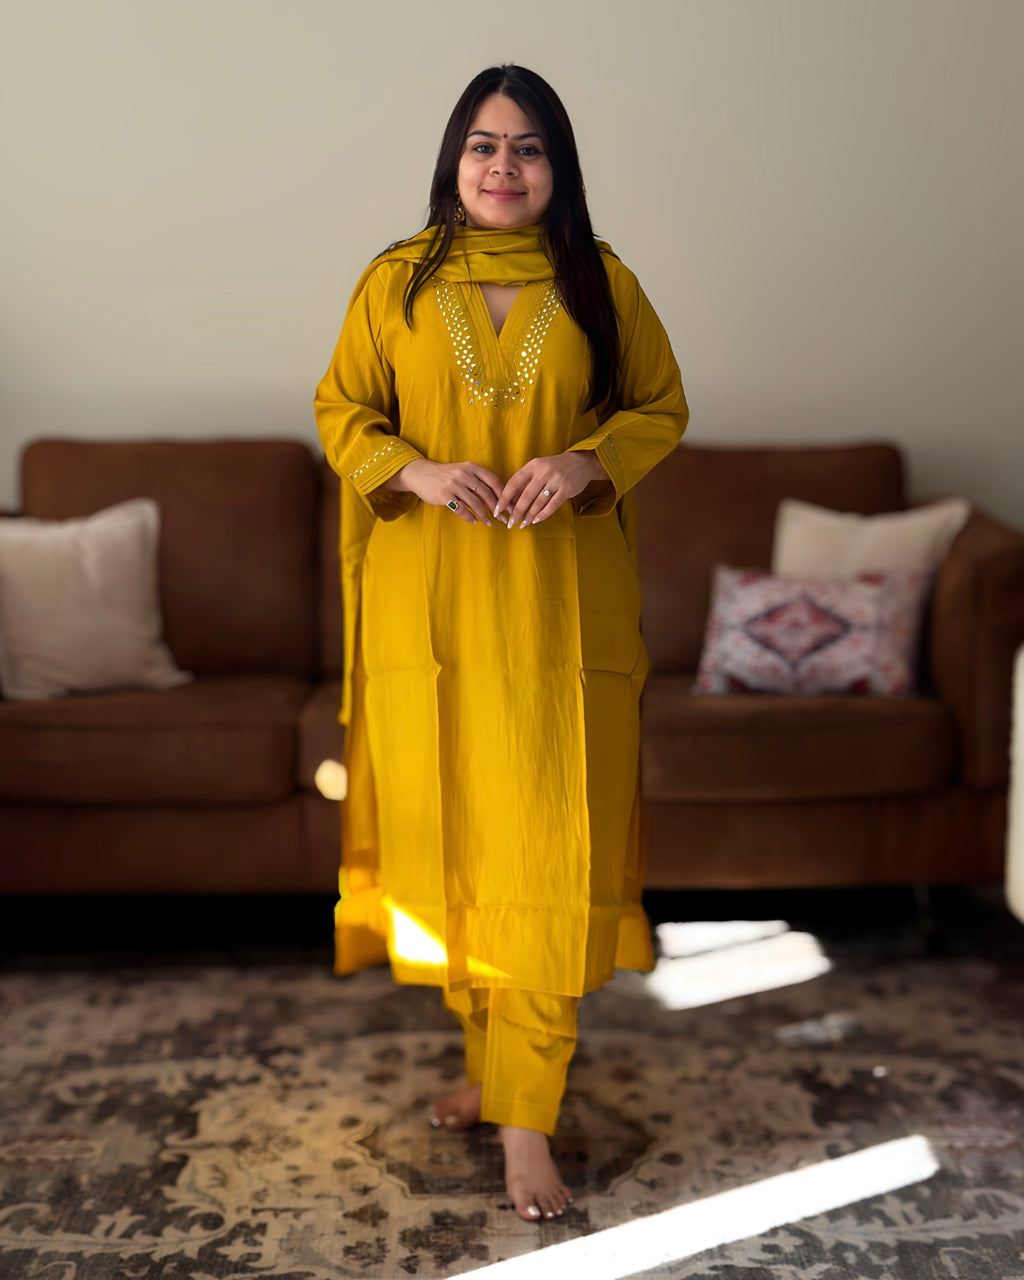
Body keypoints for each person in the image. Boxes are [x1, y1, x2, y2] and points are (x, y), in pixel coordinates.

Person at [315, 64, 688, 1223]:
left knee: (544, 849)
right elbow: (341, 410)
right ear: (453, 159)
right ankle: (491, 1063)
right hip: (426, 612)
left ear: (557, 170)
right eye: (483, 145)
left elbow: (660, 408)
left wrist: (586, 461)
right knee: (459, 847)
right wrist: (412, 467)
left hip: (557, 619)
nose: (502, 167)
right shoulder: (395, 280)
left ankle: (528, 1119)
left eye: (528, 149)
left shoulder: (601, 283)